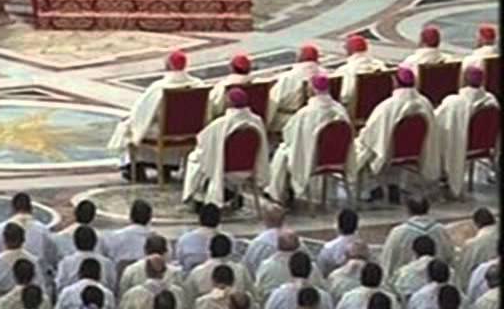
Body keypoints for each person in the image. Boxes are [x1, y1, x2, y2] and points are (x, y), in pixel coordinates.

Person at [350, 66, 440, 198]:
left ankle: (374, 188)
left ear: (395, 82)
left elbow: (371, 134)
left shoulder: (387, 106)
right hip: (415, 150)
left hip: (389, 151)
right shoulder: (425, 103)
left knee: (366, 147)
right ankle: (394, 185)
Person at [266, 73, 350, 206]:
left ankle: (277, 194)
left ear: (311, 90)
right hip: (337, 157)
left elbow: (288, 134)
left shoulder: (305, 113)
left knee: (282, 152)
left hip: (313, 158)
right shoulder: (341, 110)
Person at [111, 51, 194, 179]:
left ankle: (134, 166)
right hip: (190, 132)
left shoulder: (159, 87)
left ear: (168, 65)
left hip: (164, 132)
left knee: (128, 127)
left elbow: (140, 112)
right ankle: (168, 165)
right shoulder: (198, 85)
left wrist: (130, 120)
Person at [180, 87, 268, 206]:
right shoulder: (257, 121)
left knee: (194, 158)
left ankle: (197, 197)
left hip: (224, 168)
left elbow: (202, 142)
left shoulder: (220, 124)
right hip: (249, 168)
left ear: (229, 103)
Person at [435, 65, 499, 198]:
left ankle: (442, 176)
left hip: (461, 145)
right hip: (484, 146)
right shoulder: (492, 101)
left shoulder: (454, 102)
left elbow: (435, 120)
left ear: (463, 80)